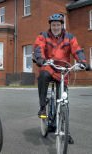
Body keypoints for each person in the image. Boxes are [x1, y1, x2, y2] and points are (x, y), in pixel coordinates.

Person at [33, 13, 89, 144]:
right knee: (43, 75)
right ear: (50, 26)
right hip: (48, 66)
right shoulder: (43, 36)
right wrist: (40, 58)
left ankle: (64, 129)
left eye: (58, 25)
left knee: (63, 100)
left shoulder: (70, 37)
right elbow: (38, 48)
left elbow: (77, 50)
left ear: (62, 25)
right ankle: (42, 107)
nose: (56, 27)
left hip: (63, 70)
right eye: (53, 25)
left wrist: (83, 62)